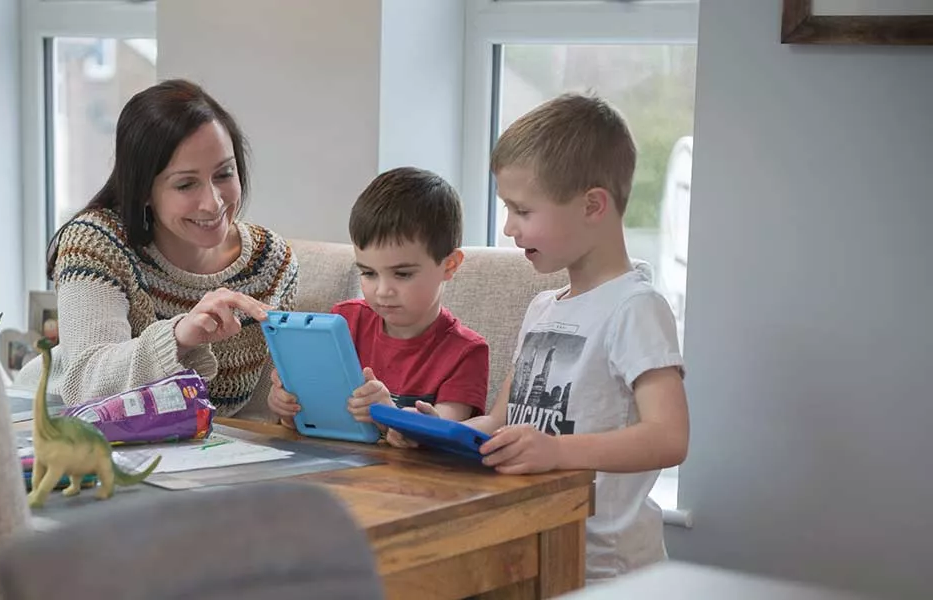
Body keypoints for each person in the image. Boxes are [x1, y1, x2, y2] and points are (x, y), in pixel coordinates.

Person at [390, 93, 689, 583]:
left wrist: (557, 452)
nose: (508, 227)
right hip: (532, 550)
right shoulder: (542, 309)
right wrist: (441, 436)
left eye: (522, 211)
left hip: (608, 571)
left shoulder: (636, 308)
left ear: (593, 205)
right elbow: (503, 421)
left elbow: (669, 437)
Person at [14, 79, 298, 417]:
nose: (213, 202)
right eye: (186, 184)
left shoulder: (271, 263)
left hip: (190, 452)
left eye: (224, 174)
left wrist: (296, 403)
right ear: (144, 189)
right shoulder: (96, 243)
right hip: (54, 430)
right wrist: (178, 337)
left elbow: (267, 409)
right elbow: (84, 382)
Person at [266, 167, 489, 429]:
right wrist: (288, 407)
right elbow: (313, 419)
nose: (382, 290)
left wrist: (390, 414)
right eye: (369, 273)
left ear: (449, 265)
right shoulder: (344, 322)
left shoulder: (466, 352)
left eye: (402, 274)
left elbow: (446, 431)